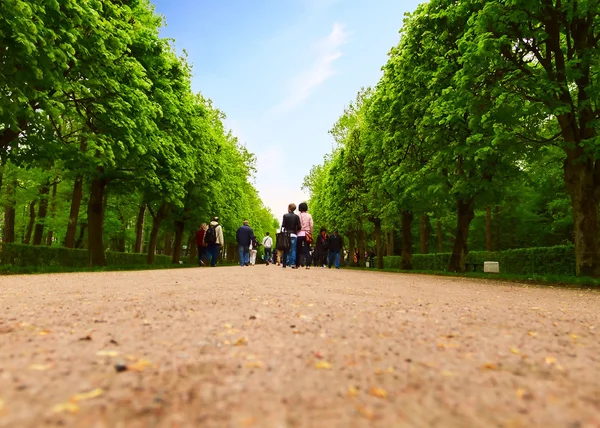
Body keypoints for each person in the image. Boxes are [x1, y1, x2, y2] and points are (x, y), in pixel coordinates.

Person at [281, 203, 300, 268]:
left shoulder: (285, 216)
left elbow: (283, 225)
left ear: (289, 208)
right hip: (294, 235)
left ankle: (284, 264)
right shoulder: (297, 217)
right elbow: (299, 227)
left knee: (285, 249)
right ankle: (292, 263)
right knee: (293, 249)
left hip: (286, 234)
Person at [296, 202, 314, 269]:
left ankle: (297, 264)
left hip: (299, 234)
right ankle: (308, 265)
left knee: (298, 249)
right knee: (307, 249)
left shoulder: (298, 216)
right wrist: (310, 233)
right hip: (306, 233)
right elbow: (311, 225)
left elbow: (296, 225)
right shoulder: (309, 215)